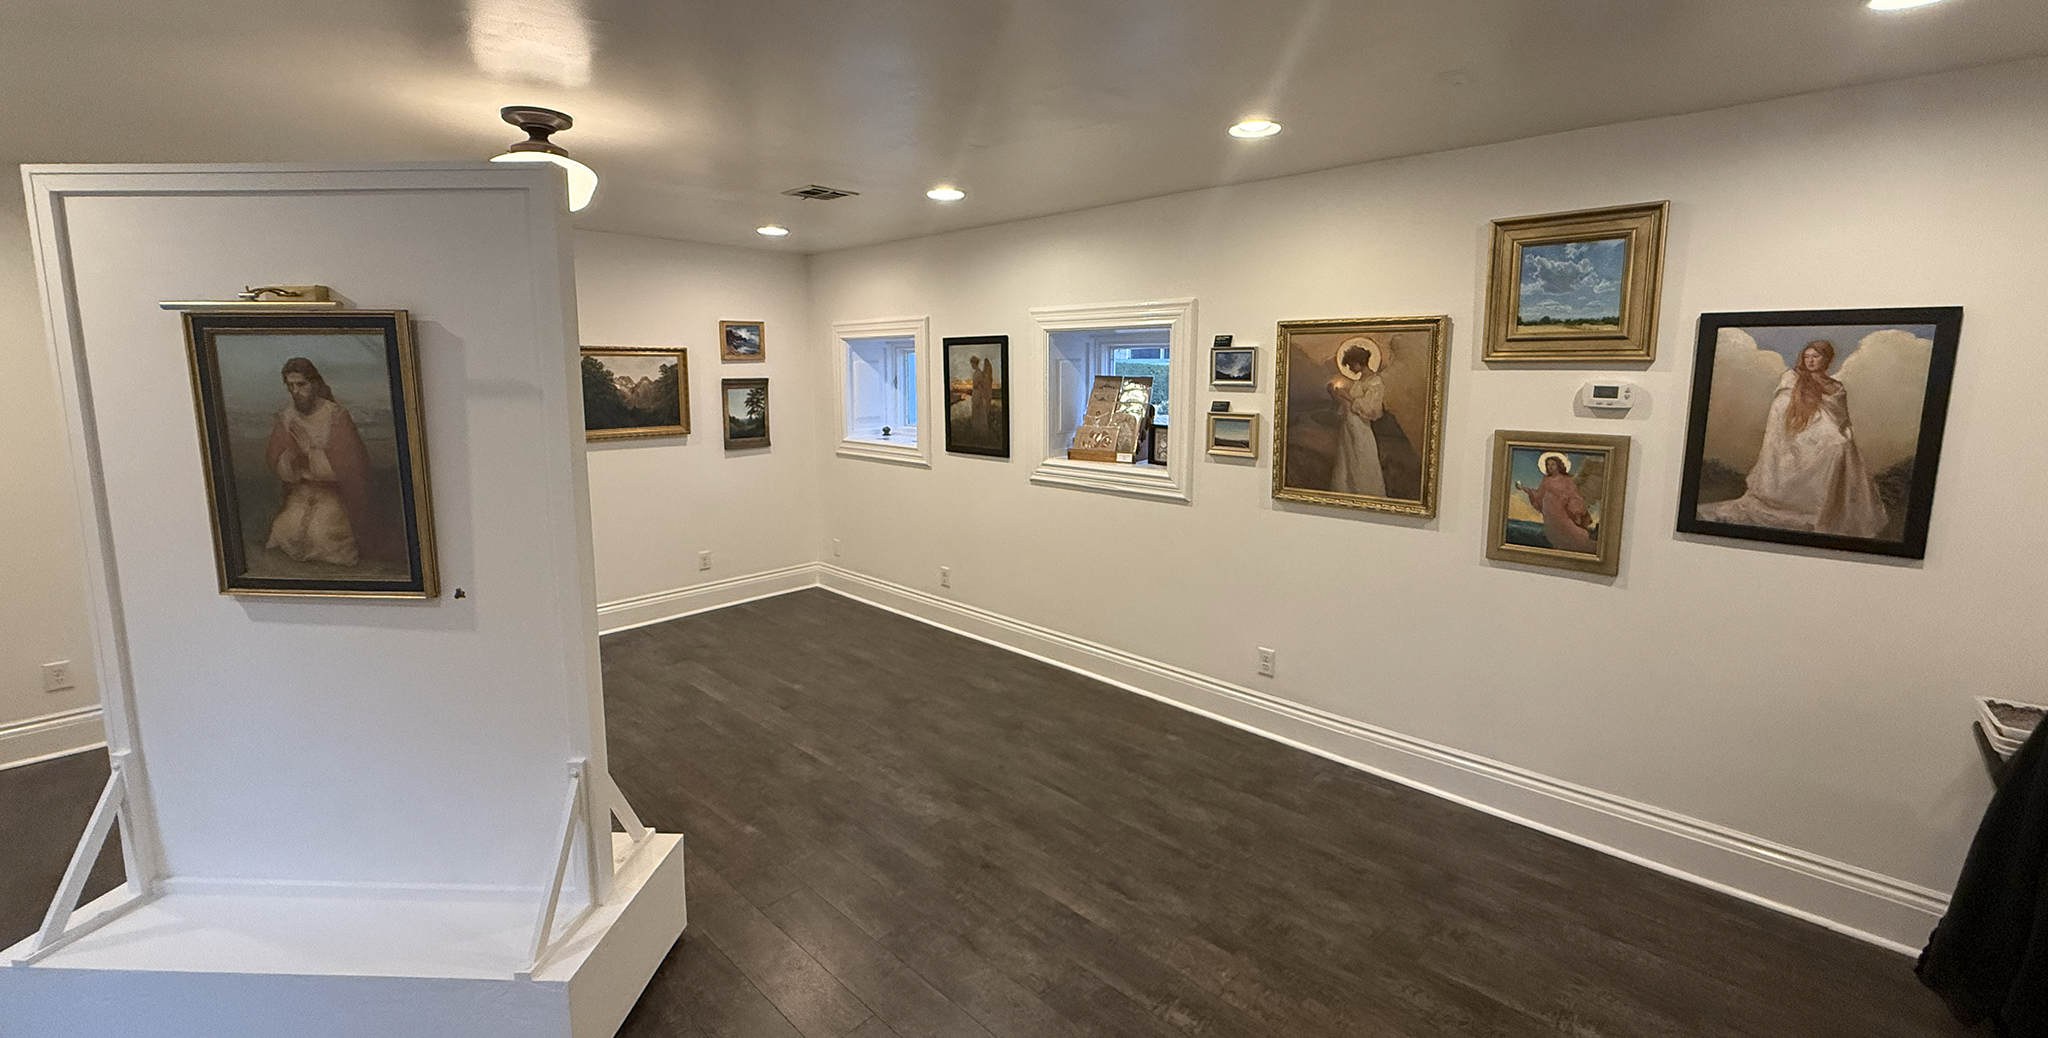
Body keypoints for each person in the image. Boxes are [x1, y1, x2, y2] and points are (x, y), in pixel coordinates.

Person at [1698, 340, 1885, 537]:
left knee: (1842, 445)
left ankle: (1831, 508)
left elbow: (1842, 420)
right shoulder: (1792, 378)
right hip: (1797, 433)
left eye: (1816, 356)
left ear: (1827, 359)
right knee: (1836, 444)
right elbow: (1781, 410)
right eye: (1807, 356)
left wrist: (1834, 433)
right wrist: (1814, 429)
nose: (1810, 361)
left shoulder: (1836, 387)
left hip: (1825, 435)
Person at [263, 357, 377, 566]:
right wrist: (290, 461)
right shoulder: (286, 418)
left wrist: (309, 452)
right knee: (285, 529)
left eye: (301, 384)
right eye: (290, 386)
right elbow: (275, 459)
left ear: (314, 384)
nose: (295, 391)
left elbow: (351, 466)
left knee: (321, 534)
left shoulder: (336, 416)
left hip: (332, 493)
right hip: (301, 491)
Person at [1327, 337, 1387, 496]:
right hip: (1348, 428)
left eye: (1351, 364)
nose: (1350, 368)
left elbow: (1372, 409)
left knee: (1361, 463)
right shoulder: (1359, 381)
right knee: (1347, 464)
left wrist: (1346, 396)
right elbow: (1346, 408)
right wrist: (1335, 396)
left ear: (1360, 362)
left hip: (1361, 429)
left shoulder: (1375, 382)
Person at [1518, 454, 1596, 553]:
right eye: (1548, 464)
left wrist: (1576, 511)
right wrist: (1524, 488)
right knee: (1555, 535)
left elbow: (1573, 495)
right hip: (1549, 513)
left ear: (1558, 465)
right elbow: (1538, 494)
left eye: (1553, 464)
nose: (1550, 467)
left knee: (1570, 531)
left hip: (1561, 511)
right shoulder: (1546, 480)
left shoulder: (1567, 480)